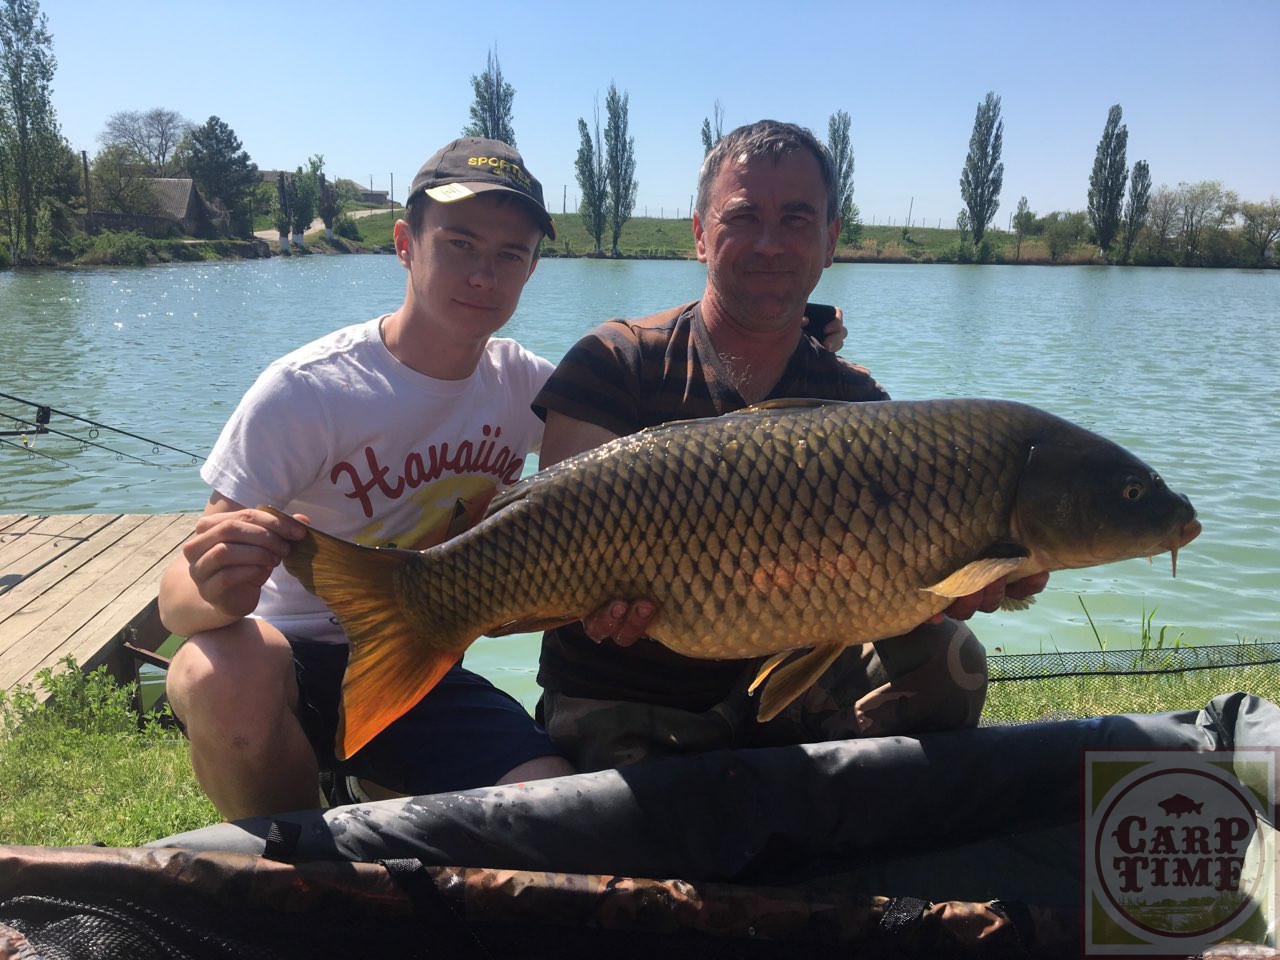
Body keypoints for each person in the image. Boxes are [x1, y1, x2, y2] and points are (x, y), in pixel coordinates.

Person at [532, 119, 1049, 773]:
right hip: (628, 690)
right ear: (700, 234)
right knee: (659, 849)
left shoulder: (858, 404)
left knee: (955, 661)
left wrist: (973, 576)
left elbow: (891, 587)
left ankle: (834, 801)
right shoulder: (615, 360)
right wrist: (586, 603)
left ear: (831, 240)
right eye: (744, 217)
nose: (771, 243)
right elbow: (546, 544)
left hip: (789, 673)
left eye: (798, 219)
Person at [158, 137, 582, 820]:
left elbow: (623, 454)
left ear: (532, 269)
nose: (484, 275)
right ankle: (295, 869)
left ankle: (366, 786)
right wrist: (215, 583)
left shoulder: (531, 387)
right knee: (213, 673)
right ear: (406, 245)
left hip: (419, 661)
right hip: (286, 660)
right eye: (460, 245)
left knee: (553, 806)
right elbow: (177, 600)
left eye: (511, 255)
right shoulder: (308, 390)